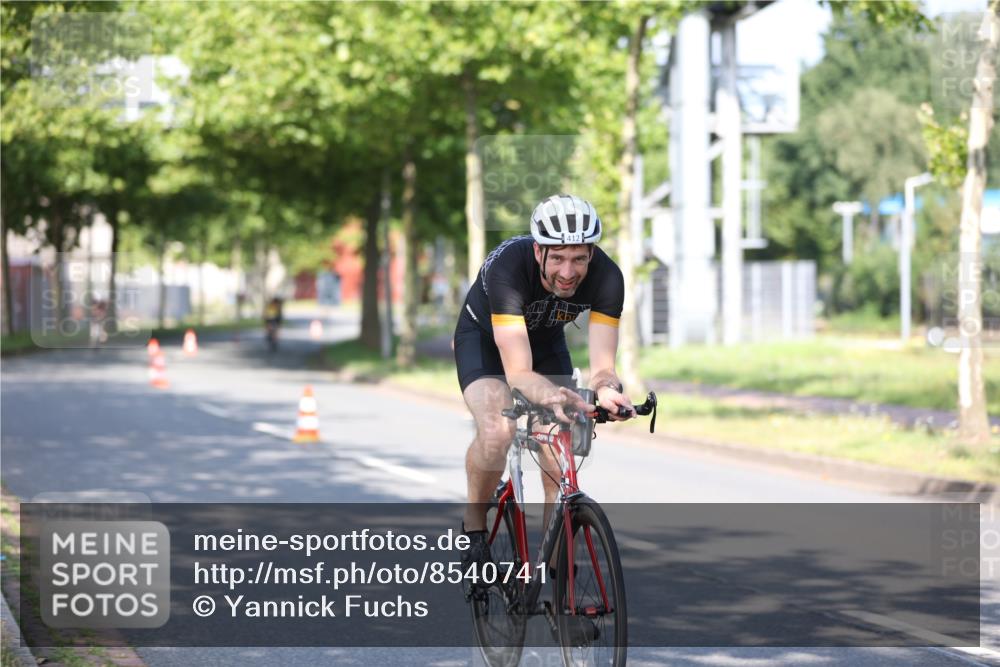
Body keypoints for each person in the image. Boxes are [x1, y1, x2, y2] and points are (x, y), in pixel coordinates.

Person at [453, 194, 636, 578]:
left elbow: (603, 366)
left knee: (557, 445)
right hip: (486, 341)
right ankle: (473, 529)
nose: (568, 272)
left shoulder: (607, 278)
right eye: (557, 258)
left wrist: (608, 391)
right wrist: (553, 394)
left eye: (579, 259)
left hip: (546, 342)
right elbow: (518, 373)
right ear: (538, 252)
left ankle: (555, 577)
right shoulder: (509, 267)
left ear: (591, 253)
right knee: (497, 429)